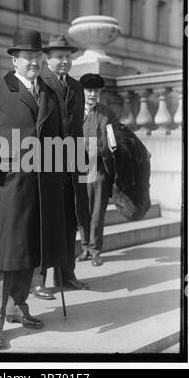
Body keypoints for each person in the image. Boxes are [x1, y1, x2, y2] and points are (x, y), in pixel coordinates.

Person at [0, 28, 67, 348]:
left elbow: (56, 139)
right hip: (5, 186)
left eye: (38, 57)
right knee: (1, 256)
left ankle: (18, 308)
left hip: (39, 187)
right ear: (14, 60)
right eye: (28, 57)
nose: (34, 62)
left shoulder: (50, 94)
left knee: (29, 252)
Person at [30, 33, 90, 300]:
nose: (65, 61)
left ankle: (67, 273)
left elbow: (77, 125)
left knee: (70, 218)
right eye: (59, 56)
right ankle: (38, 280)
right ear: (47, 58)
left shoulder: (76, 86)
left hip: (72, 162)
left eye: (68, 57)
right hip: (47, 161)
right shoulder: (39, 84)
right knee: (45, 221)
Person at [77, 73, 121, 266]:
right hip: (78, 169)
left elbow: (114, 141)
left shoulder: (107, 114)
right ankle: (85, 247)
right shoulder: (74, 112)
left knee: (97, 212)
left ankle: (95, 250)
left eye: (96, 90)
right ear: (82, 91)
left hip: (100, 169)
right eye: (89, 90)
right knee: (81, 211)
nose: (93, 94)